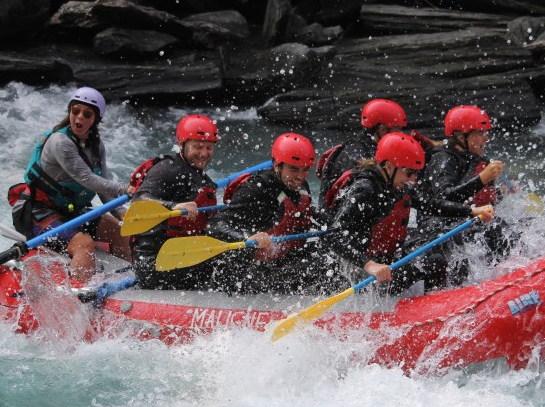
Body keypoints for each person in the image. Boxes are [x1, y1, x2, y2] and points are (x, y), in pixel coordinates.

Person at [323, 133, 493, 295]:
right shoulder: (364, 190)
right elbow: (333, 235)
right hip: (365, 275)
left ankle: (449, 299)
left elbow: (432, 204)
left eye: (415, 173)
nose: (412, 179)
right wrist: (369, 265)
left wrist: (471, 210)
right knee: (434, 262)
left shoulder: (397, 185)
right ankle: (434, 310)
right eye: (409, 172)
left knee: (446, 245)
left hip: (387, 261)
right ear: (389, 166)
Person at [11, 87, 133, 284]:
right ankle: (82, 297)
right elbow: (86, 178)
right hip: (40, 213)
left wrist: (121, 212)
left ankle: (143, 284)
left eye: (87, 114)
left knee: (122, 231)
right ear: (69, 112)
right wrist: (125, 189)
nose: (79, 117)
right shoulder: (60, 142)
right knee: (84, 244)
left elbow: (102, 183)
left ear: (95, 120)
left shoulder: (96, 145)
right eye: (75, 111)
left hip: (71, 211)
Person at [207, 133, 343, 295]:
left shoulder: (300, 186)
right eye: (293, 169)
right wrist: (245, 238)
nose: (300, 176)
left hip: (279, 260)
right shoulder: (257, 189)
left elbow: (305, 213)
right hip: (245, 272)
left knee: (332, 256)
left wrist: (338, 226)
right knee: (320, 266)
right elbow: (214, 224)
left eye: (305, 170)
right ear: (277, 165)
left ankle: (340, 308)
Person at [416, 105, 519, 281]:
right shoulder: (443, 159)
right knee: (495, 228)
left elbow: (474, 200)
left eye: (486, 133)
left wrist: (500, 194)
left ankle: (523, 267)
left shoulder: (471, 157)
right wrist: (482, 179)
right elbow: (443, 198)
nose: (486, 139)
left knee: (518, 227)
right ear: (460, 136)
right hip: (436, 227)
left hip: (462, 220)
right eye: (480, 133)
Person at [130, 114, 222, 290]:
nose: (204, 154)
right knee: (223, 266)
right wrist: (174, 206)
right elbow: (138, 200)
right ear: (182, 144)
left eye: (209, 148)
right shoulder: (166, 169)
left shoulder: (204, 179)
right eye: (198, 146)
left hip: (183, 256)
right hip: (154, 263)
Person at [316, 98, 408, 213]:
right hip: (338, 222)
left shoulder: (374, 151)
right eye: (398, 129)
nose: (401, 134)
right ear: (382, 129)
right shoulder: (356, 155)